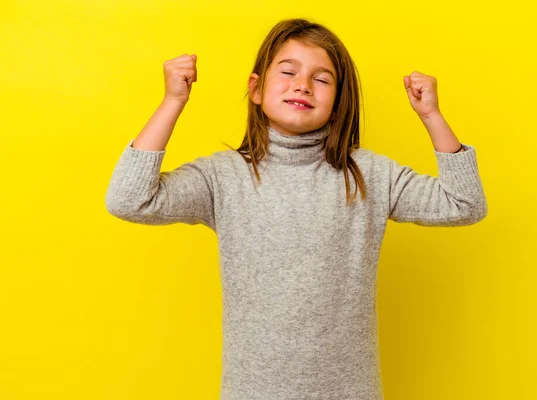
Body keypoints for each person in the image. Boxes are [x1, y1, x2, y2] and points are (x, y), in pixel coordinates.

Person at [105, 18, 487, 400]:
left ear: (339, 105)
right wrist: (173, 101)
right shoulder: (223, 177)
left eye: (322, 80)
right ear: (256, 89)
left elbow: (464, 204)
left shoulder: (369, 175)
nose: (303, 85)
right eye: (288, 71)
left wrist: (431, 117)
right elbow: (129, 199)